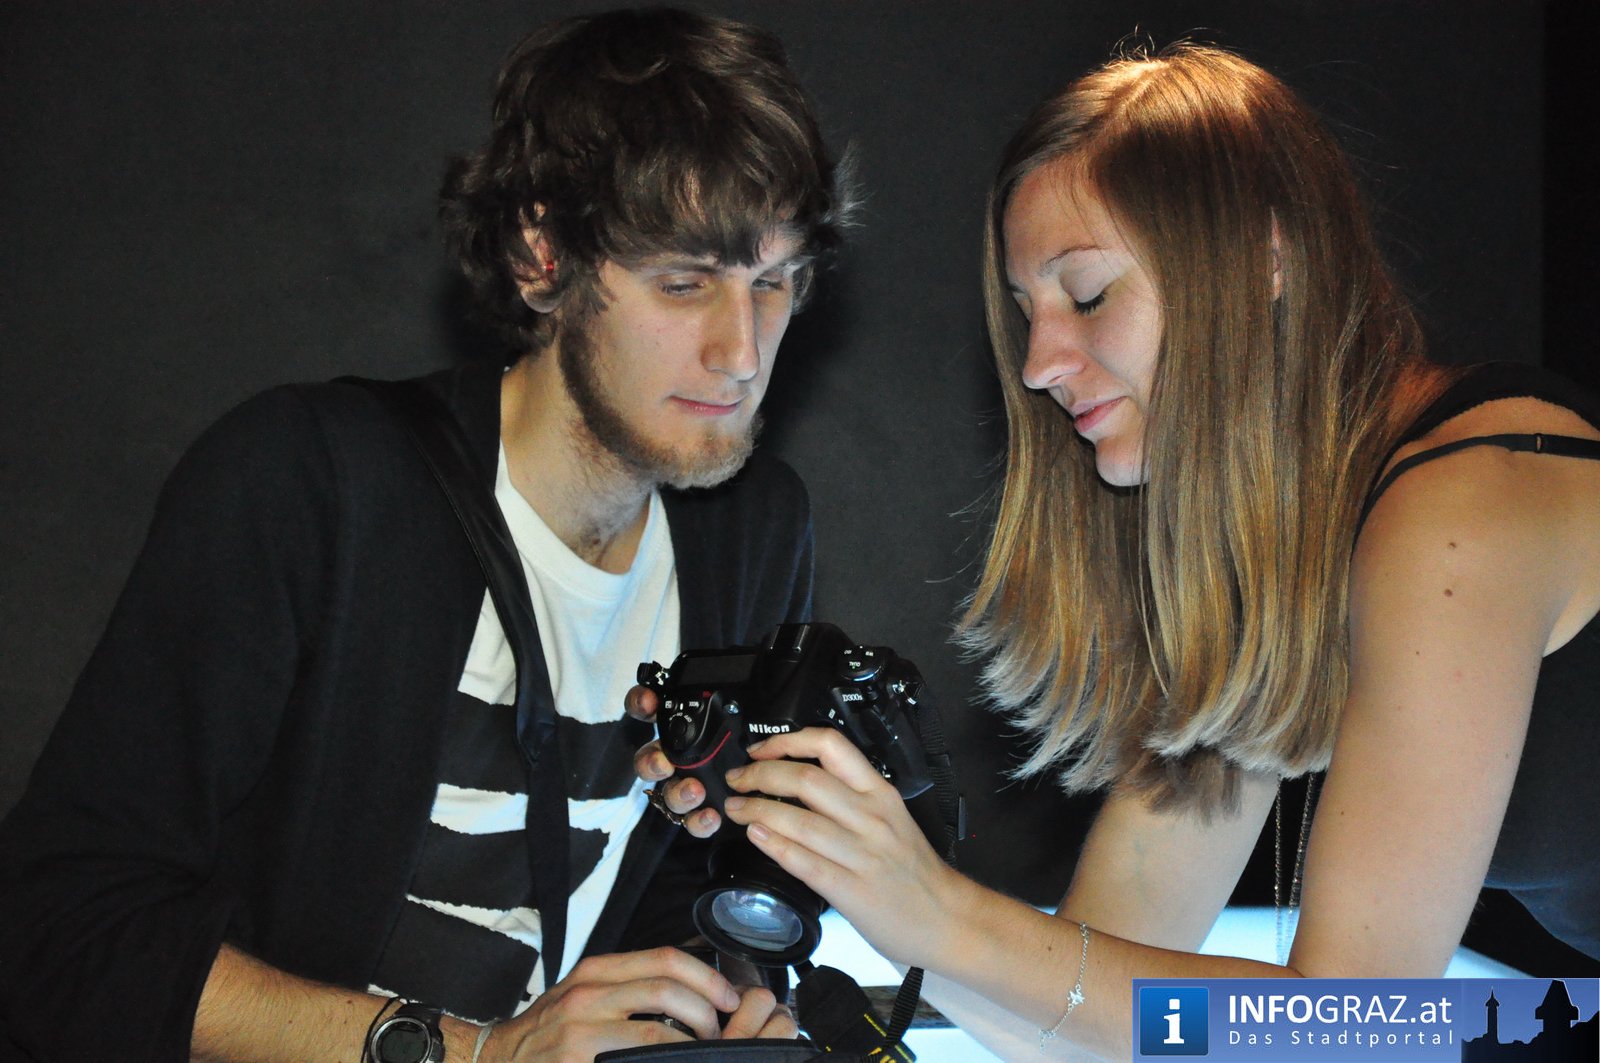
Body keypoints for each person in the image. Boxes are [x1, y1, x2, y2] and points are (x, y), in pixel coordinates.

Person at [632, 42, 1600, 1060]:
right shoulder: (1274, 562)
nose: (1040, 364)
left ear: (1264, 261)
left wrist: (936, 913)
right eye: (1027, 313)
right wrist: (840, 870)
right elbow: (1087, 1018)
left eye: (1088, 294)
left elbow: (1352, 1027)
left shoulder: (1462, 513)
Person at [0, 8, 857, 1061]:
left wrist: (725, 999)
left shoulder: (753, 532)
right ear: (543, 254)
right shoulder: (310, 482)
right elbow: (58, 932)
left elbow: (684, 891)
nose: (741, 351)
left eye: (774, 282)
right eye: (683, 282)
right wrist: (474, 1053)